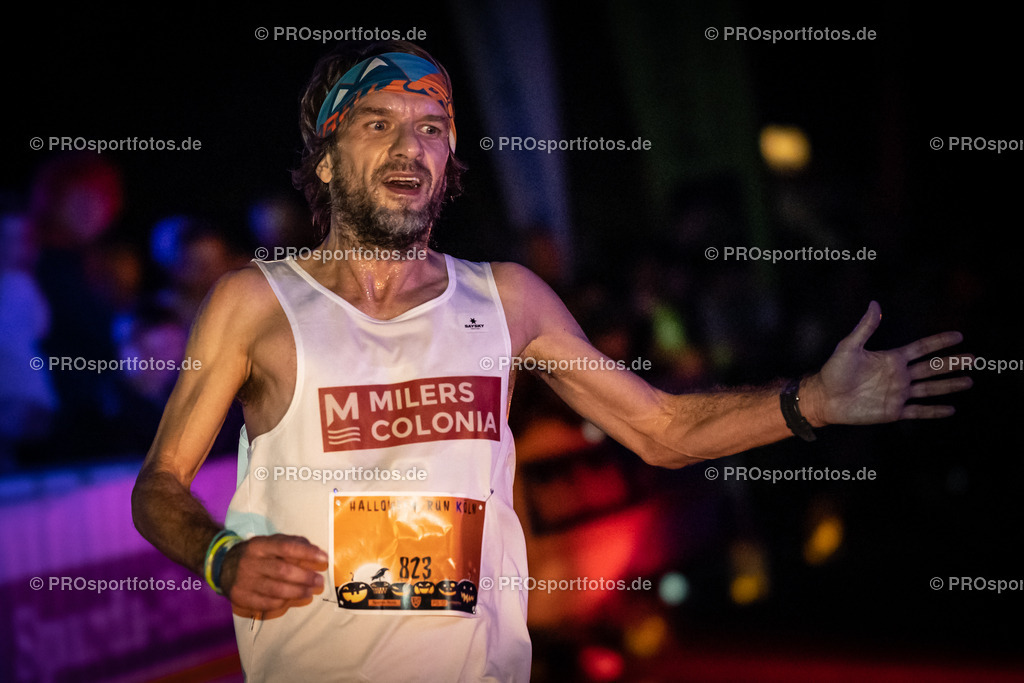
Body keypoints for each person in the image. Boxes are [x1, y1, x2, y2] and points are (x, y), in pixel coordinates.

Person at [131, 40, 971, 682]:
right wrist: (219, 556)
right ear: (324, 154)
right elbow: (158, 485)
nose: (407, 146)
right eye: (377, 124)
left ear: (447, 163)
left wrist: (811, 402)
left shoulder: (508, 298)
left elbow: (664, 428)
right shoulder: (256, 302)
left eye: (430, 128)